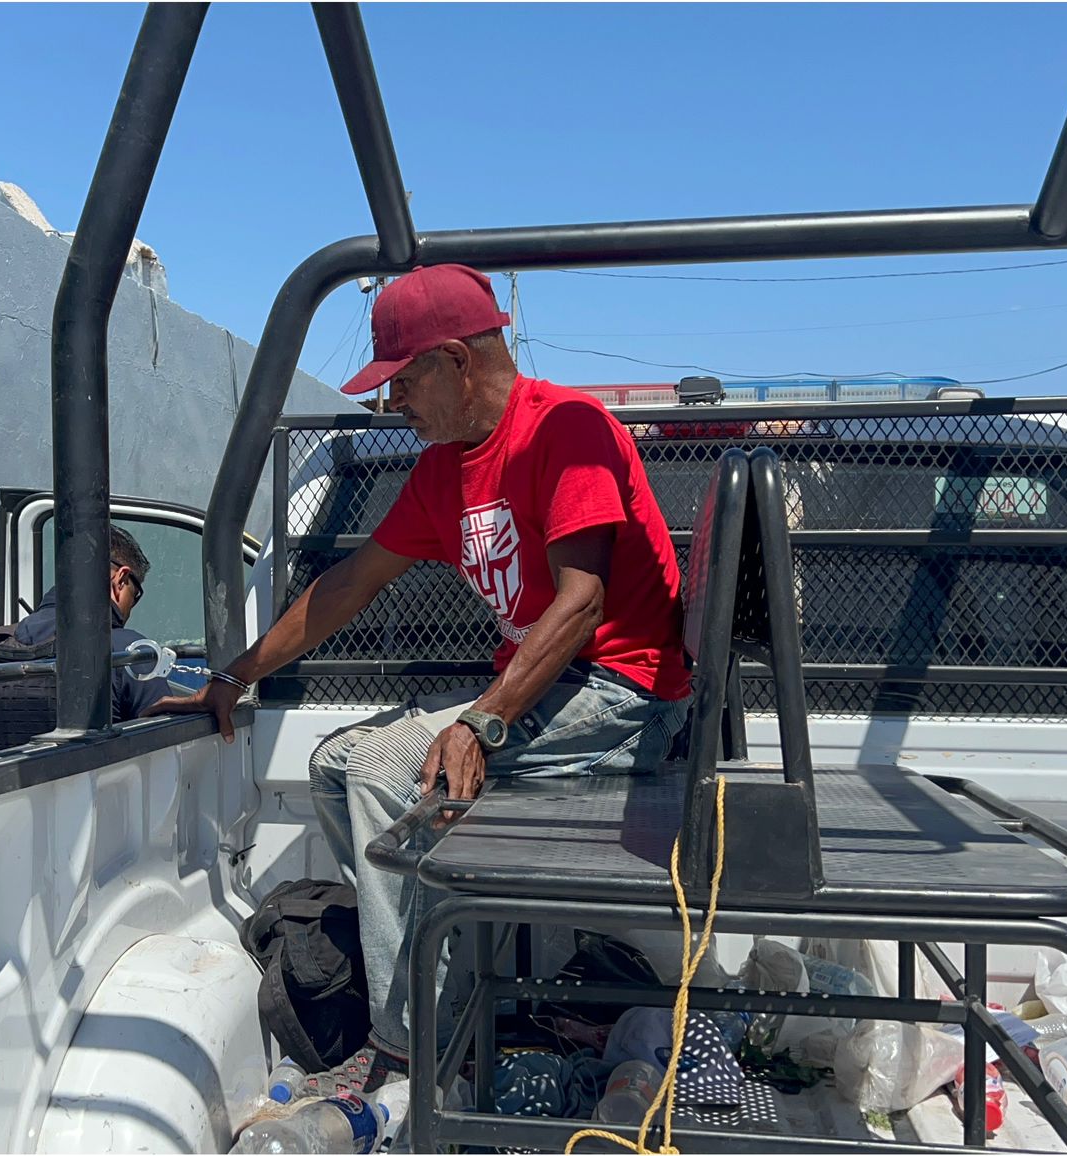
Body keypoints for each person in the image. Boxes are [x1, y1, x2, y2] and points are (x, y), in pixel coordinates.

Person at [152, 263, 692, 1092]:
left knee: (381, 770)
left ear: (456, 360)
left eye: (402, 381)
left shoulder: (568, 429)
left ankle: (410, 1050)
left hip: (624, 695)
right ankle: (444, 988)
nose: (391, 401)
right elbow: (349, 584)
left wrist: (481, 721)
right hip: (543, 691)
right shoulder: (445, 469)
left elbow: (582, 603)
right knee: (336, 764)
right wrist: (235, 675)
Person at [0, 525, 171, 752]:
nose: (130, 609)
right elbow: (167, 744)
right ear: (121, 579)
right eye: (135, 596)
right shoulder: (130, 652)